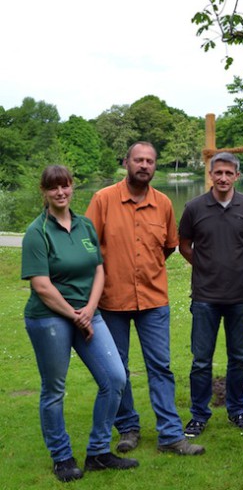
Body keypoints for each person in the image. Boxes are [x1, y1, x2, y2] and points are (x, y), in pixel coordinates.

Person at [22, 165, 138, 483]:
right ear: (44, 192)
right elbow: (41, 285)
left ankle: (99, 452)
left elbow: (99, 269)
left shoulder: (86, 225)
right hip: (49, 318)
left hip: (87, 313)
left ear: (73, 187)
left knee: (115, 379)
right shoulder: (37, 232)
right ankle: (62, 457)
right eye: (53, 187)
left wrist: (89, 309)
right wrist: (75, 315)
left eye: (66, 186)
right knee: (54, 390)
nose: (61, 192)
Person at [85, 142, 203, 457]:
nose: (144, 165)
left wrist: (144, 268)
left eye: (150, 161)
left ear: (154, 166)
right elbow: (87, 248)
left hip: (153, 301)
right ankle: (128, 428)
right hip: (112, 301)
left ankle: (171, 436)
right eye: (139, 160)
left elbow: (167, 245)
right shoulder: (103, 200)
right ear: (126, 162)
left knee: (160, 367)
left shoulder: (163, 203)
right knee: (117, 369)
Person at [178, 152, 243, 436]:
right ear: (210, 175)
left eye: (229, 173)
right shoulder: (194, 208)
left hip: (241, 296)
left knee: (239, 358)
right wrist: (205, 266)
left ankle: (237, 410)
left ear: (237, 176)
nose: (223, 178)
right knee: (201, 359)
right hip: (205, 297)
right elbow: (184, 245)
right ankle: (199, 414)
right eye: (218, 173)